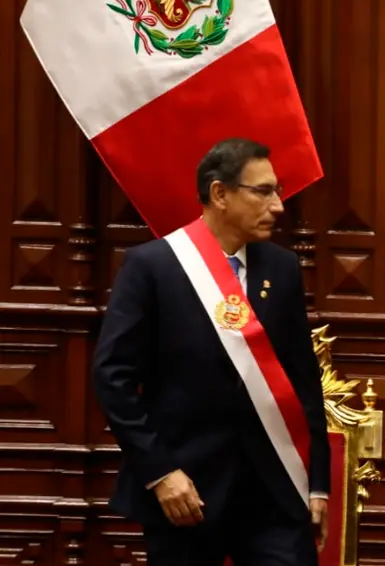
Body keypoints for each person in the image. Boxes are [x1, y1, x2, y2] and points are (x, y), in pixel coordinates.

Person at [92, 138, 331, 565]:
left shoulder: (282, 268)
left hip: (274, 493)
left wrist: (316, 484)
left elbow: (303, 381)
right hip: (186, 491)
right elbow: (113, 378)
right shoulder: (153, 267)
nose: (277, 206)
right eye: (263, 192)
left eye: (277, 191)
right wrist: (160, 473)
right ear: (220, 193)